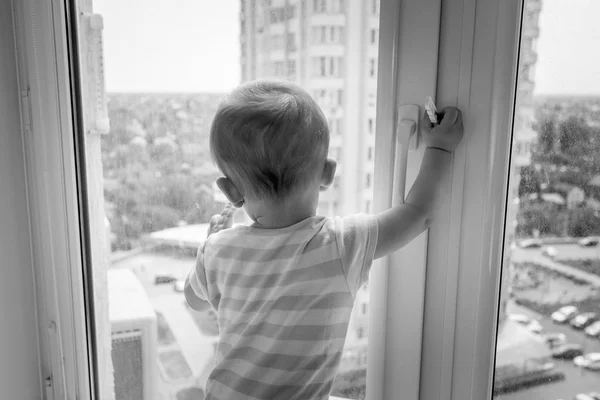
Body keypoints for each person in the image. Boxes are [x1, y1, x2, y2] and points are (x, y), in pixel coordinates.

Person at [184, 80, 463, 400]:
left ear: (230, 191)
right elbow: (418, 214)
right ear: (328, 174)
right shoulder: (340, 243)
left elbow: (193, 301)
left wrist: (212, 241)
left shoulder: (217, 250)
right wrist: (441, 148)